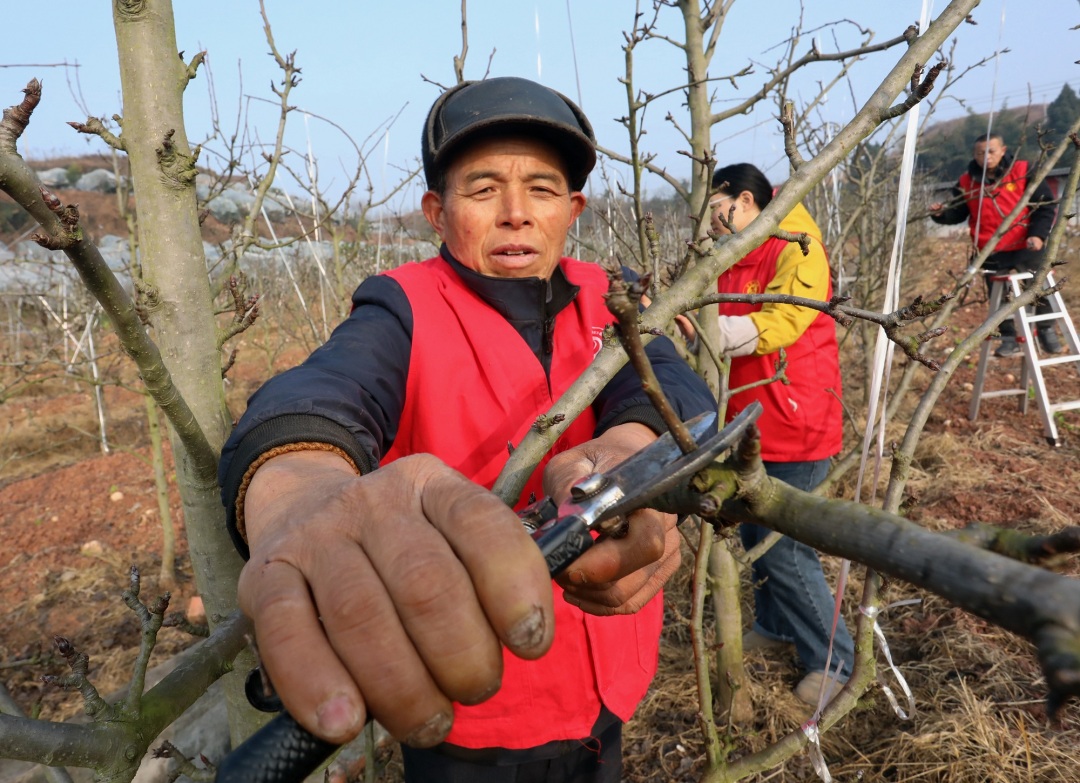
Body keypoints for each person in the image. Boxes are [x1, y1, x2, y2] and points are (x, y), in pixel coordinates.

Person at [218, 76, 715, 783]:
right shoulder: (400, 308)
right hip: (469, 701)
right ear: (436, 210)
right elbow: (318, 395)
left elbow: (672, 389)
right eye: (482, 189)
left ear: (572, 209)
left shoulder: (614, 299)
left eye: (542, 190)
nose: (516, 213)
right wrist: (299, 499)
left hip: (608, 684)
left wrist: (635, 456)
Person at [703, 163, 856, 706]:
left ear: (745, 201)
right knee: (755, 536)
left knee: (785, 550)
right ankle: (778, 626)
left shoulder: (799, 246)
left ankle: (834, 660)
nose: (711, 220)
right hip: (749, 421)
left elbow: (783, 320)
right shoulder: (736, 248)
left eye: (716, 208)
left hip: (795, 420)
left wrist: (705, 331)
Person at [929, 132, 1062, 357]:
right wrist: (941, 214)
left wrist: (1038, 235)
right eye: (981, 153)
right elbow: (958, 212)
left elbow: (1046, 206)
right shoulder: (966, 182)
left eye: (991, 151)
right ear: (974, 155)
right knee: (998, 298)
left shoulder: (1023, 171)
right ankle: (1008, 337)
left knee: (1038, 288)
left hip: (1025, 244)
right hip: (990, 249)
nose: (986, 157)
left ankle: (1047, 328)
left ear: (1003, 150)